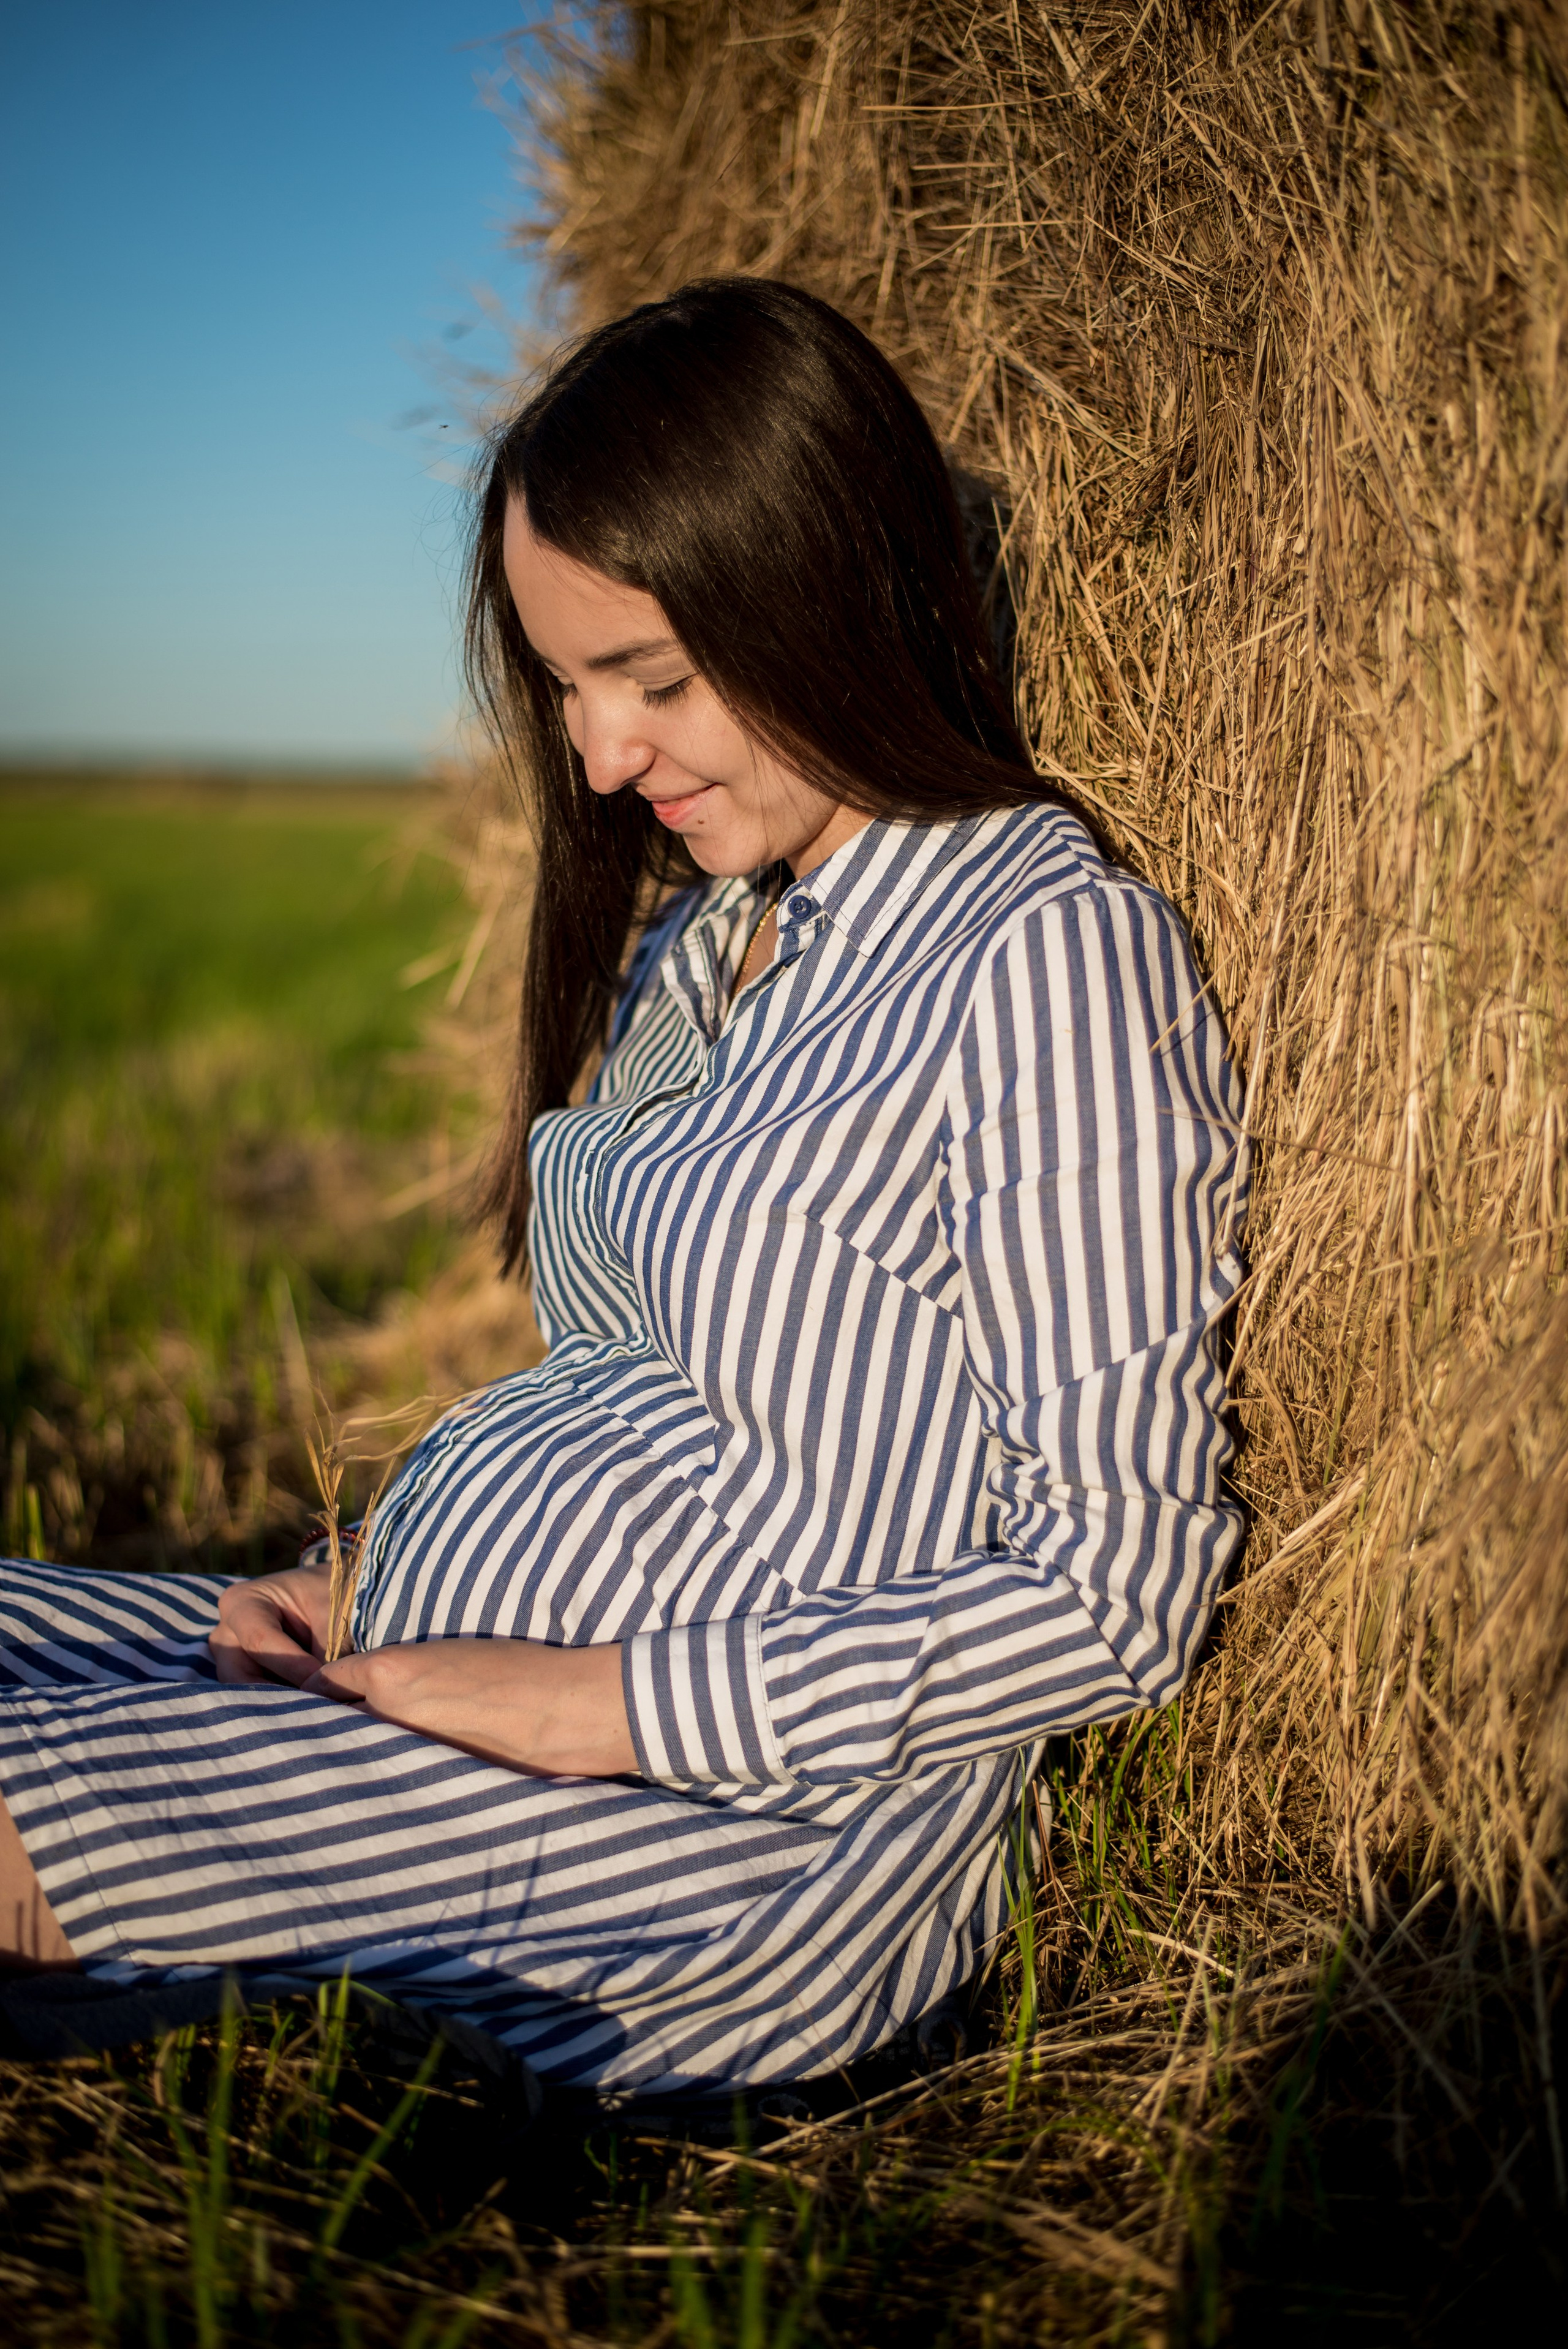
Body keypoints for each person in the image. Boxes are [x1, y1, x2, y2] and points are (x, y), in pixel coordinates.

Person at [0, 281, 1246, 2089]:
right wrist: (351, 1583)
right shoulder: (711, 938)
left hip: (713, 1809)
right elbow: (623, 1387)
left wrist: (587, 1706)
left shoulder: (1042, 953)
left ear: (826, 595)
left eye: (650, 679)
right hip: (432, 1661)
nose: (595, 756)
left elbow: (1117, 1585)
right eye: (567, 684)